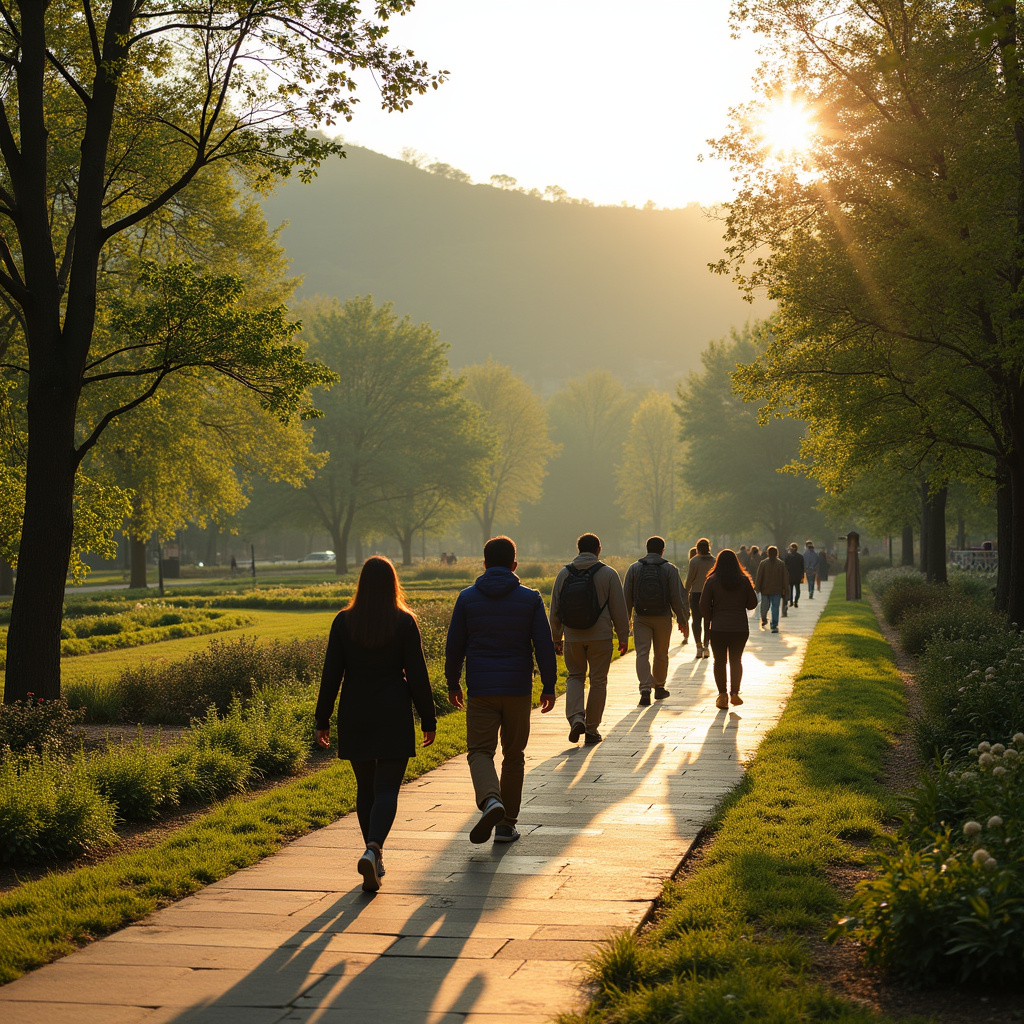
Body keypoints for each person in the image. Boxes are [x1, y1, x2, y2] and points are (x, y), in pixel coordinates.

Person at [314, 556, 438, 893]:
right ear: (393, 584)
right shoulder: (404, 622)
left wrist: (322, 719)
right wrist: (428, 717)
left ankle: (373, 854)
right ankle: (374, 849)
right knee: (387, 789)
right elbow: (417, 673)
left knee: (365, 787)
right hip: (393, 710)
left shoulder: (344, 622)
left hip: (355, 709)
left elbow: (331, 674)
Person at [445, 536, 557, 845]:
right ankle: (506, 825)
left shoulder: (467, 598)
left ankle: (491, 799)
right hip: (518, 688)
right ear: (514, 565)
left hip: (481, 688)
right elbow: (543, 645)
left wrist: (453, 682)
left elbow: (454, 646)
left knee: (480, 751)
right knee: (514, 755)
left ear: (484, 564)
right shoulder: (531, 599)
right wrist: (548, 685)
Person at [550, 533, 629, 745]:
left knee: (575, 676)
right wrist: (623, 636)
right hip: (600, 636)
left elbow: (555, 608)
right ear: (598, 549)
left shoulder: (564, 573)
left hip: (572, 636)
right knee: (598, 681)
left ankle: (576, 717)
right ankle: (592, 729)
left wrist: (556, 637)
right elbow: (619, 609)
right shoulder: (609, 574)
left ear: (578, 549)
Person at [623, 536, 689, 706]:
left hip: (641, 617)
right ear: (662, 550)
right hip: (663, 617)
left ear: (646, 549)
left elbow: (626, 598)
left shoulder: (634, 568)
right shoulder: (670, 569)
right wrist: (682, 619)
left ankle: (645, 689)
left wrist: (626, 621)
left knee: (642, 653)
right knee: (661, 653)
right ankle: (659, 687)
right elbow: (676, 597)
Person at [699, 548, 758, 708]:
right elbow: (752, 603)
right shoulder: (744, 581)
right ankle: (735, 693)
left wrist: (712, 617)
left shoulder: (711, 581)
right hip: (739, 627)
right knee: (736, 660)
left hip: (718, 628)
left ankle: (722, 695)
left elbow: (703, 606)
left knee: (719, 661)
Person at [684, 538, 716, 659]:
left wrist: (685, 593)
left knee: (696, 620)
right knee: (708, 621)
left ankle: (698, 646)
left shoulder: (694, 561)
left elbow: (690, 579)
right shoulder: (714, 561)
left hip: (696, 593)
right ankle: (706, 646)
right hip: (710, 594)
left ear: (697, 548)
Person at [754, 545, 789, 633]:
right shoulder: (780, 564)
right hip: (776, 590)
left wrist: (757, 587)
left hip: (766, 589)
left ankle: (765, 619)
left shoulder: (764, 563)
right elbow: (785, 578)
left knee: (765, 606)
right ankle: (773, 624)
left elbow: (759, 577)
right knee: (774, 607)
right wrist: (785, 589)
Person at [784, 542, 806, 608]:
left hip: (790, 575)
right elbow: (802, 567)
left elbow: (785, 566)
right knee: (797, 589)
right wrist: (802, 575)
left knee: (790, 589)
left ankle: (791, 601)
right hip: (797, 575)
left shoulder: (788, 557)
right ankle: (796, 601)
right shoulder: (800, 557)